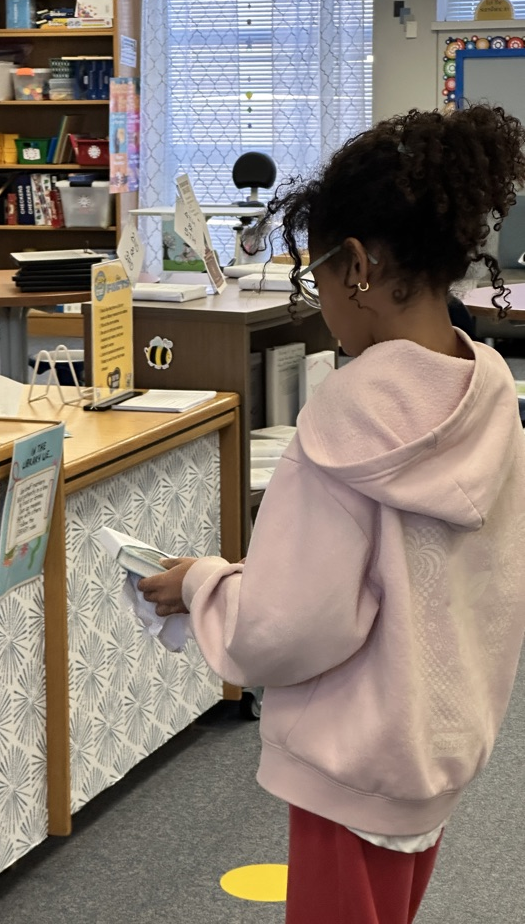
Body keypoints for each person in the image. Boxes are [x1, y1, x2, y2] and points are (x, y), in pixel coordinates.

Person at [138, 104, 525, 924]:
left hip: (351, 763)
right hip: (439, 750)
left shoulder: (343, 422)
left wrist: (203, 585)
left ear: (357, 266)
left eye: (314, 279)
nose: (317, 304)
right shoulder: (489, 395)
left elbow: (286, 627)